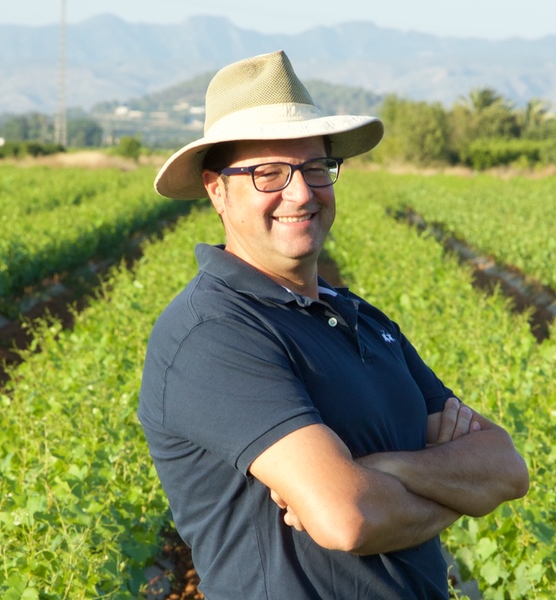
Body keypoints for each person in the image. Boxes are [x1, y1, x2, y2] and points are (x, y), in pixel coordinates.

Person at [137, 50, 529, 599]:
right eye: (267, 173)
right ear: (216, 189)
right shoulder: (213, 333)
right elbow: (348, 519)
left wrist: (385, 468)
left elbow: (505, 468)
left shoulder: (364, 320)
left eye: (316, 168)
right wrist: (452, 484)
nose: (299, 192)